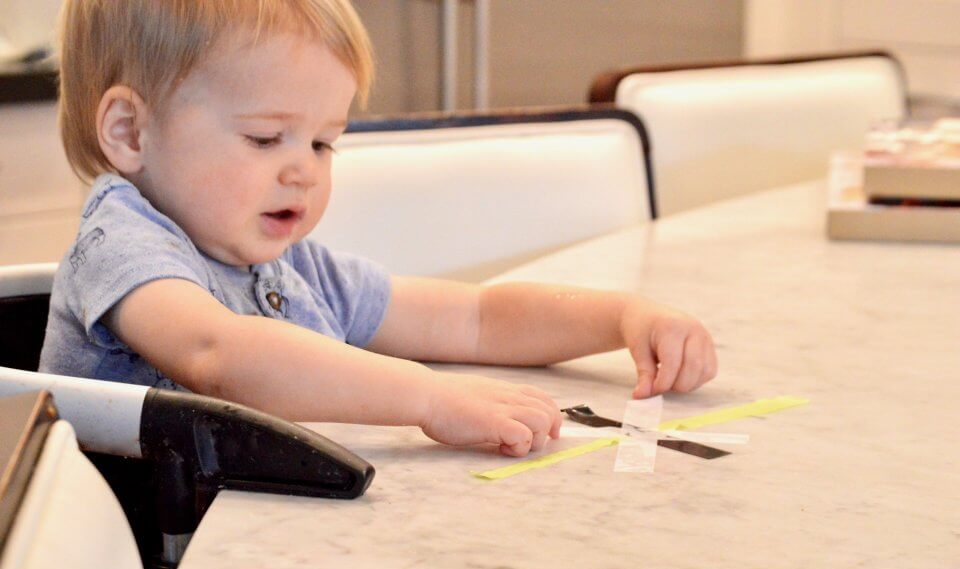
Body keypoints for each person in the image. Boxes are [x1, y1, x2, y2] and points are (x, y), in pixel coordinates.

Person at [41, 0, 717, 457]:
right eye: (267, 137)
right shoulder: (121, 244)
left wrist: (622, 318)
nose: (303, 171)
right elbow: (219, 355)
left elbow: (477, 317)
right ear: (131, 132)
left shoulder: (286, 268)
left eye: (323, 144)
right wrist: (427, 396)